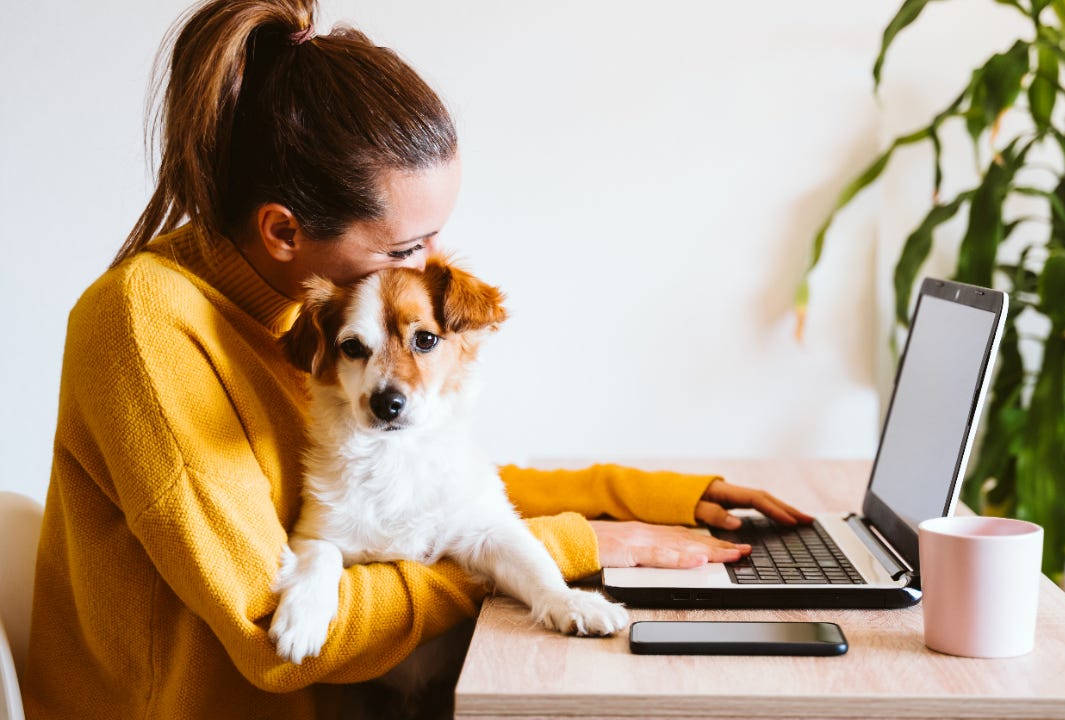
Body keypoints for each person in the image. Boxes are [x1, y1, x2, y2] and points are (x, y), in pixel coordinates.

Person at [21, 1, 814, 719]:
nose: (431, 268)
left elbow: (424, 488)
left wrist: (650, 499)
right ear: (284, 232)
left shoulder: (307, 307)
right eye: (406, 245)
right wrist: (561, 549)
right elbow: (277, 637)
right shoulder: (146, 326)